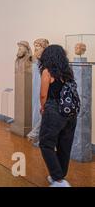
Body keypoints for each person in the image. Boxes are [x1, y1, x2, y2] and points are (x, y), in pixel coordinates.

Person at [38, 45, 77, 187]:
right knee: (64, 145)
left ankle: (59, 180)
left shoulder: (47, 72)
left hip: (54, 110)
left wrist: (43, 107)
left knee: (46, 144)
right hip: (71, 112)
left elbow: (43, 94)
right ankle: (59, 176)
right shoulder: (68, 72)